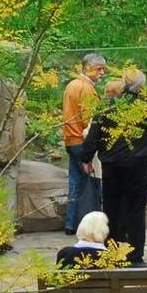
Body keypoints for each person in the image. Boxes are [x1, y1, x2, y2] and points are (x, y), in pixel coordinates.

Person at [80, 68, 147, 266]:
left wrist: (86, 158)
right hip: (137, 166)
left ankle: (112, 254)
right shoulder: (144, 105)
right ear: (141, 87)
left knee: (112, 210)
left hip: (112, 166)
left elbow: (94, 135)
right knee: (136, 211)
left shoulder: (107, 106)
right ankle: (135, 256)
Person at [60, 53, 105, 235]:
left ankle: (70, 224)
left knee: (75, 183)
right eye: (99, 68)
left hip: (70, 140)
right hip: (82, 140)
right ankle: (90, 227)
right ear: (87, 68)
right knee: (91, 186)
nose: (102, 72)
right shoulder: (86, 89)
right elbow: (90, 120)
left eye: (104, 69)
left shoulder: (72, 85)